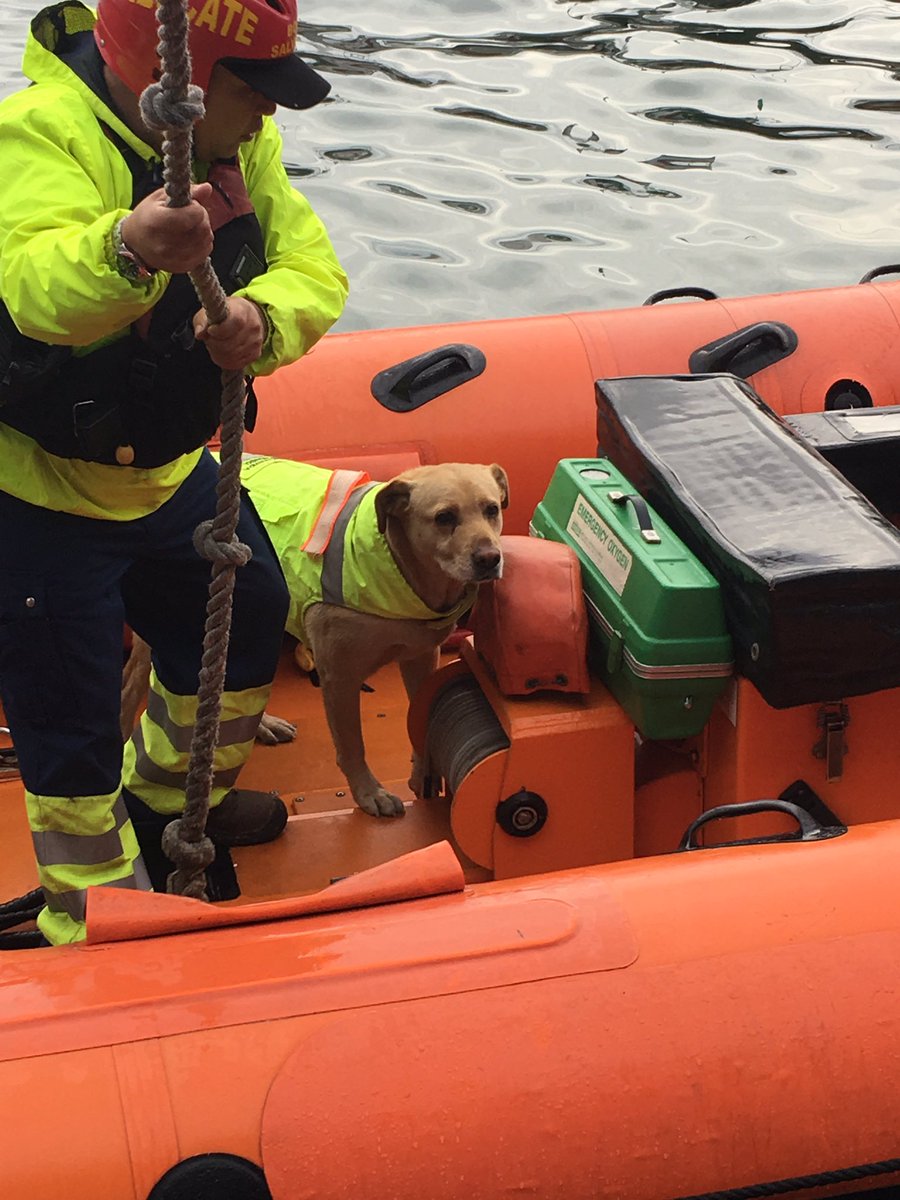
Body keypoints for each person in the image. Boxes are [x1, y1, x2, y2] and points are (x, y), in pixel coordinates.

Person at [0, 0, 349, 944]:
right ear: (174, 83)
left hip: (165, 473)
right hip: (39, 491)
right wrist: (124, 250)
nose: (268, 112)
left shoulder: (242, 145)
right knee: (68, 725)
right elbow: (32, 288)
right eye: (252, 88)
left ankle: (168, 810)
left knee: (247, 618)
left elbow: (313, 268)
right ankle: (93, 920)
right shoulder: (39, 132)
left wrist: (262, 319)